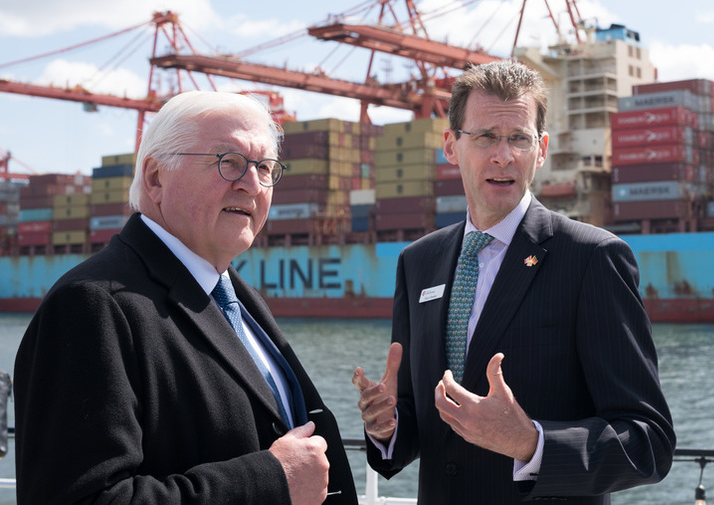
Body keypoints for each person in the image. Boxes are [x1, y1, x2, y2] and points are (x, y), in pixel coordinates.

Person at [353, 60, 676, 504]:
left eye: (519, 139)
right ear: (451, 145)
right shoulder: (418, 262)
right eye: (485, 136)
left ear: (540, 149)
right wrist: (388, 427)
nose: (503, 155)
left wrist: (531, 442)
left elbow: (649, 441)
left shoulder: (593, 259)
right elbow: (421, 420)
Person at [14, 91, 356, 505]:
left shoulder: (234, 297)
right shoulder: (92, 306)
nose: (251, 184)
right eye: (228, 162)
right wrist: (271, 481)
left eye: (265, 168)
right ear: (156, 177)